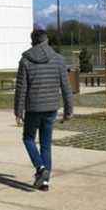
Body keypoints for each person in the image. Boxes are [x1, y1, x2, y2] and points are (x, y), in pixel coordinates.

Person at [14, 24, 74, 191]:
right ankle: (45, 181)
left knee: (28, 138)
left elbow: (21, 88)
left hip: (33, 108)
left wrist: (18, 111)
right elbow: (66, 87)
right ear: (46, 40)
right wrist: (69, 111)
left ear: (32, 42)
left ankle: (41, 169)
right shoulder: (59, 60)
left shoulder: (25, 60)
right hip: (51, 108)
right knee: (46, 144)